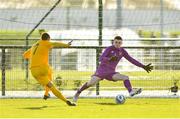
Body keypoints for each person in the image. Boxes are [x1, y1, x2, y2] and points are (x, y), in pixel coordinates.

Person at [73, 36, 153, 103]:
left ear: (121, 43)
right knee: (91, 83)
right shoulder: (109, 49)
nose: (117, 44)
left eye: (119, 42)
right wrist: (110, 58)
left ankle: (131, 92)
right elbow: (101, 58)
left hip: (111, 73)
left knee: (125, 77)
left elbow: (131, 60)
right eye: (116, 42)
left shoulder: (122, 51)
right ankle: (78, 92)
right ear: (113, 42)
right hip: (101, 71)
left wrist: (143, 66)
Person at [23, 32, 76, 106]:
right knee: (50, 74)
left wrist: (35, 58)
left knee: (50, 85)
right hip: (43, 69)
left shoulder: (34, 45)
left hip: (34, 71)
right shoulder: (46, 43)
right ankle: (57, 97)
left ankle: (48, 94)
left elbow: (25, 55)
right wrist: (66, 45)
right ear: (48, 39)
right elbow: (55, 43)